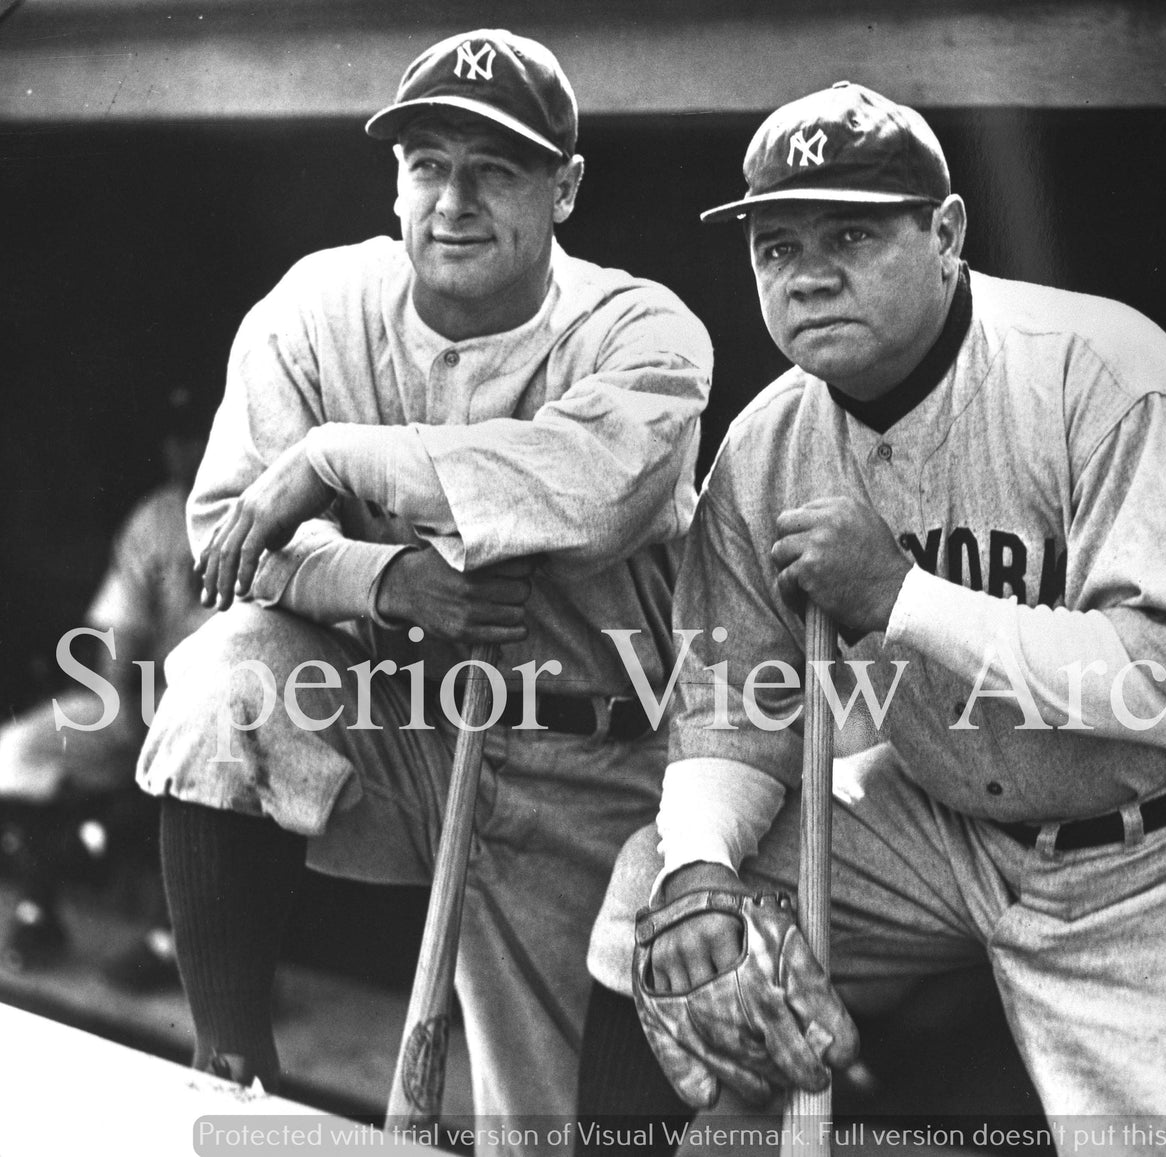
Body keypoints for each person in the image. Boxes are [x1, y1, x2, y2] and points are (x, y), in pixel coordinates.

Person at [582, 82, 1166, 1156]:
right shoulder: (763, 451)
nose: (806, 273)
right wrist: (701, 863)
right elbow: (731, 703)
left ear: (945, 233)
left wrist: (901, 596)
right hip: (949, 829)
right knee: (658, 903)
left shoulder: (1109, 378)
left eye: (849, 232)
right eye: (775, 245)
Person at [133, 27, 711, 1141]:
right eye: (427, 164)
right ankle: (229, 1075)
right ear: (395, 180)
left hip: (602, 763)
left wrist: (335, 458)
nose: (452, 201)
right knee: (226, 675)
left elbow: (593, 495)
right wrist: (383, 579)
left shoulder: (638, 328)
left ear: (565, 188)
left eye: (494, 169)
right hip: (415, 735)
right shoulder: (316, 308)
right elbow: (221, 536)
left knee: (536, 1132)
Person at [0, 388, 213, 985]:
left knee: (201, 765)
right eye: (175, 438)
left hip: (226, 713)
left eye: (198, 434)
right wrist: (129, 709)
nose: (185, 452)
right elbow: (115, 641)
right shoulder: (156, 518)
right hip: (145, 700)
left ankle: (172, 941)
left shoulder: (269, 513)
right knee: (18, 752)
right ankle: (38, 907)